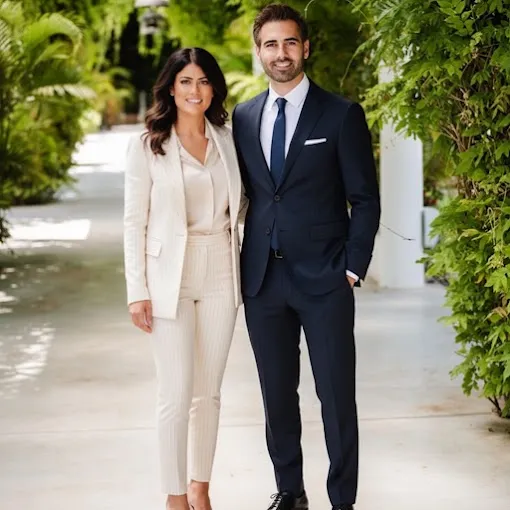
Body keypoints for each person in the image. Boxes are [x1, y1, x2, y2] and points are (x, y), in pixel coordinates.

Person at [232, 4, 381, 510]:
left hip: (326, 279)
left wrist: (352, 267)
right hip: (262, 280)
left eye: (290, 42)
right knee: (276, 395)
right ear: (259, 52)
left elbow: (364, 198)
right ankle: (291, 491)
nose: (281, 53)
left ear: (306, 48)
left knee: (335, 396)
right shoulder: (244, 117)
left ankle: (343, 500)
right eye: (271, 44)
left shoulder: (340, 114)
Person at [123, 47, 244, 510]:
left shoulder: (227, 140)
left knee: (207, 393)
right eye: (186, 81)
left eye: (204, 81)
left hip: (221, 269)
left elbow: (242, 207)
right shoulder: (147, 146)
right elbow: (134, 222)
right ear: (171, 88)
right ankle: (174, 498)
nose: (196, 90)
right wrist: (137, 291)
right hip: (168, 274)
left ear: (214, 89)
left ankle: (200, 489)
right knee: (175, 394)